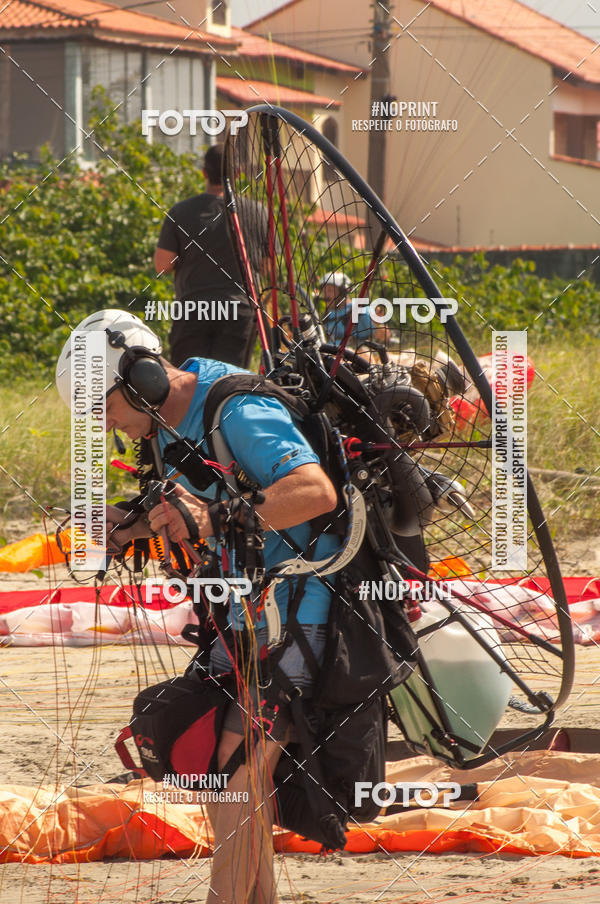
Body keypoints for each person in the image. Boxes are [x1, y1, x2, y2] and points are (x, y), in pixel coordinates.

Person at [55, 309, 339, 904]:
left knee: (232, 768)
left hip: (306, 607)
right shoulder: (160, 425)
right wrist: (127, 526)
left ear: (143, 379)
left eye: (105, 408)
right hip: (242, 614)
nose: (109, 426)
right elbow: (186, 503)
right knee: (217, 762)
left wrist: (216, 518)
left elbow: (315, 491)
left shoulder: (235, 406)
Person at [154, 145, 268, 369]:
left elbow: (163, 265)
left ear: (204, 172)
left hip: (194, 309)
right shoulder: (258, 212)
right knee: (230, 383)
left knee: (188, 384)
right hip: (239, 311)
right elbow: (268, 269)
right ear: (237, 173)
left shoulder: (180, 211)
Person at [320, 270, 388, 348]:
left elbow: (382, 334)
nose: (326, 295)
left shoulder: (362, 310)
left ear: (343, 291)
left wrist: (378, 326)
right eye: (324, 291)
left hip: (353, 355)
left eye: (330, 290)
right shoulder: (327, 315)